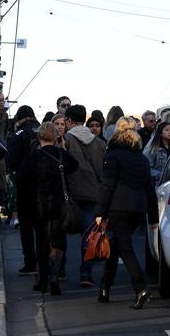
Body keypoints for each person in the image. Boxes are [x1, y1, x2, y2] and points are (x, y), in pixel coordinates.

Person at [95, 117, 158, 309]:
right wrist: (153, 216)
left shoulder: (113, 155)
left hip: (118, 207)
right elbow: (149, 188)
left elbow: (108, 185)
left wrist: (100, 212)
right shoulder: (142, 158)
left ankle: (140, 288)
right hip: (138, 208)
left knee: (125, 248)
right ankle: (104, 288)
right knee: (116, 246)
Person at [20, 122, 78, 295]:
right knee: (58, 240)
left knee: (42, 241)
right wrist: (64, 148)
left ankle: (43, 280)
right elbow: (74, 166)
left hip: (38, 204)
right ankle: (55, 275)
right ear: (55, 137)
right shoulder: (61, 155)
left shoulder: (33, 156)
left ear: (39, 137)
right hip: (59, 203)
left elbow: (22, 179)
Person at [64, 104, 107, 287]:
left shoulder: (66, 140)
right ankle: (86, 273)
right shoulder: (100, 143)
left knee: (61, 233)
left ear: (69, 121)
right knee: (89, 236)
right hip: (93, 194)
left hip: (71, 194)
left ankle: (58, 270)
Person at [7, 105, 41, 275]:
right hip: (46, 185)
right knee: (43, 226)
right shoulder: (45, 131)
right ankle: (49, 262)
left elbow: (11, 162)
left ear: (19, 119)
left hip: (25, 185)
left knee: (26, 226)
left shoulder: (18, 135)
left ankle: (30, 262)